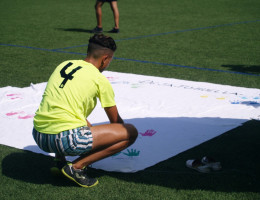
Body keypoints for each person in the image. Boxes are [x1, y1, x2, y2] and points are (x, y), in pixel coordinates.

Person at [32, 34, 138, 188]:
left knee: (68, 117)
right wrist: (111, 139)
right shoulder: (100, 80)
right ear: (105, 59)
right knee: (130, 132)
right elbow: (116, 124)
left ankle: (60, 161)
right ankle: (76, 167)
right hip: (64, 140)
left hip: (39, 136)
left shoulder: (64, 64)